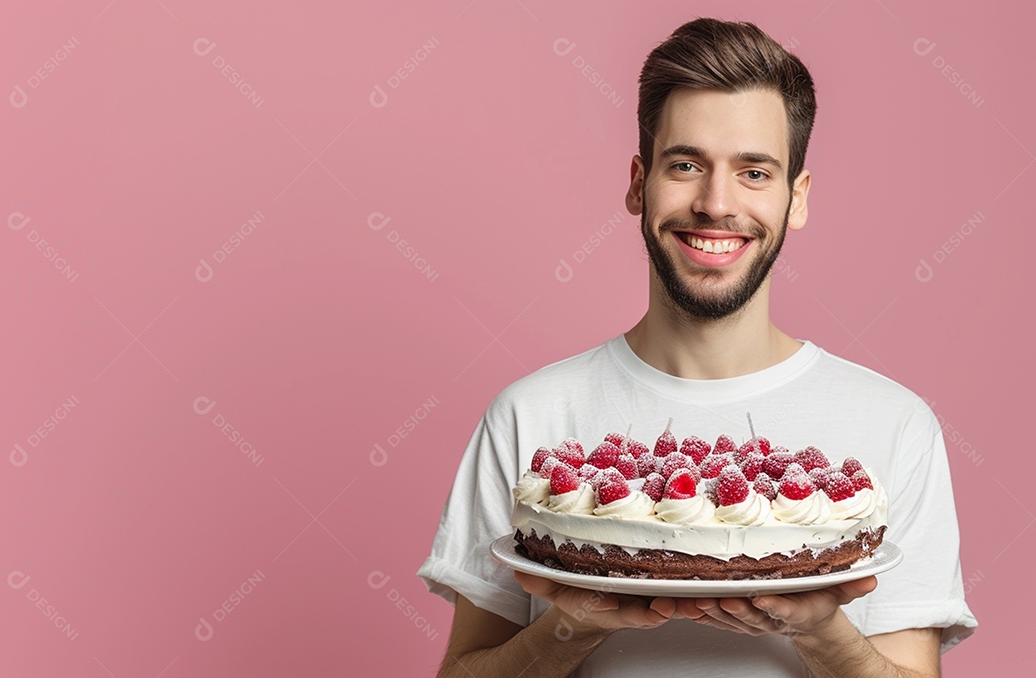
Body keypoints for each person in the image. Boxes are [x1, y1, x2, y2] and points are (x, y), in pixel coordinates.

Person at [417, 17, 977, 677]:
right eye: (686, 165)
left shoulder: (895, 424)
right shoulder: (529, 415)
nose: (716, 203)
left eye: (754, 172)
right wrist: (569, 626)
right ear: (638, 183)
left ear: (796, 198)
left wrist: (823, 631)